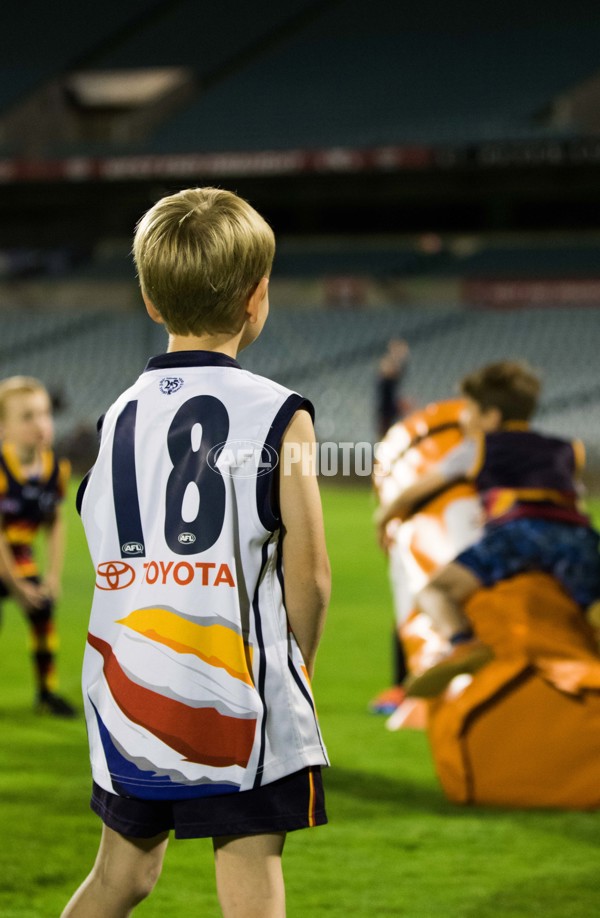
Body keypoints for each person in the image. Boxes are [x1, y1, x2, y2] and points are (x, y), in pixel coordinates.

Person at [61, 187, 331, 918]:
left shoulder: (115, 417)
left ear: (151, 301)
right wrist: (296, 670)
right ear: (257, 296)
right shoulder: (280, 414)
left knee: (121, 878)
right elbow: (310, 575)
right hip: (234, 691)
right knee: (250, 885)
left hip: (126, 684)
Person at [375, 359, 600, 698]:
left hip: (517, 533)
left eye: (469, 410)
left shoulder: (477, 447)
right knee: (592, 601)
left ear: (491, 417)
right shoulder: (568, 448)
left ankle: (462, 643)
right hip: (575, 534)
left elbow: (418, 490)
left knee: (434, 591)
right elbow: (575, 499)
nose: (463, 418)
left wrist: (383, 517)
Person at [0, 375, 76, 717]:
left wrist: (53, 577)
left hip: (20, 556)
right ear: (4, 428)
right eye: (27, 416)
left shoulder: (55, 468)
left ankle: (47, 694)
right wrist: (16, 585)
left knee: (43, 611)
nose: (40, 424)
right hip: (4, 558)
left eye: (44, 414)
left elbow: (55, 523)